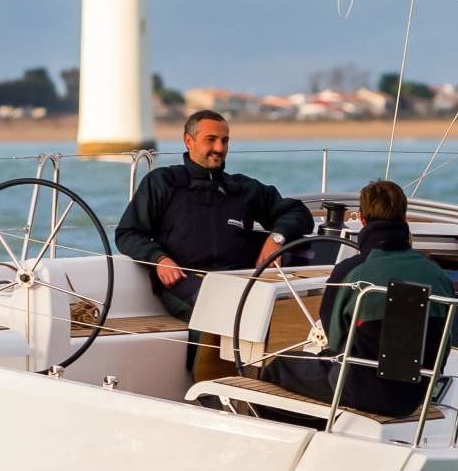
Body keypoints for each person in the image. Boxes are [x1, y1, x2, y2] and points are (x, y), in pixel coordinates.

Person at [262, 179, 454, 419]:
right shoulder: (439, 277)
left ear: (362, 219)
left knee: (279, 366)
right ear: (404, 218)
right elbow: (444, 345)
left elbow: (334, 339)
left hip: (357, 388)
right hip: (414, 397)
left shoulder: (351, 271)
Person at [115, 110, 314, 322]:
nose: (219, 148)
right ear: (189, 141)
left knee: (291, 311)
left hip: (238, 279)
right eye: (211, 140)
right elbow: (128, 233)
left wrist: (277, 237)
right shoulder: (163, 182)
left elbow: (298, 212)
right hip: (184, 279)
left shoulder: (243, 188)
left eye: (224, 141)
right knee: (223, 311)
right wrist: (159, 259)